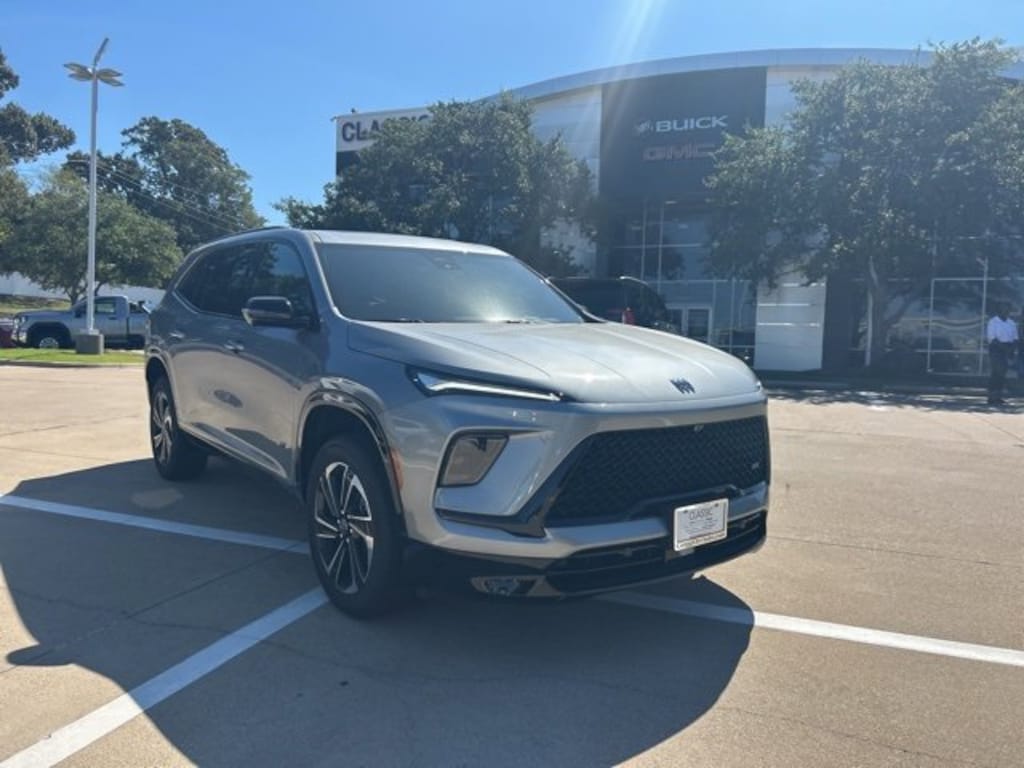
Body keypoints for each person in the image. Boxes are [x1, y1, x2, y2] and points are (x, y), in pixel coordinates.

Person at [985, 303, 1018, 405]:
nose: (1006, 311)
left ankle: (998, 396)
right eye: (1003, 309)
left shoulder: (1011, 323)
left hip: (1008, 348)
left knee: (1002, 373)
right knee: (997, 371)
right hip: (997, 349)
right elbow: (992, 338)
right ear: (999, 310)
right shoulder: (993, 322)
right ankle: (991, 396)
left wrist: (1011, 349)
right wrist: (1004, 349)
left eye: (1008, 309)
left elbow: (1015, 338)